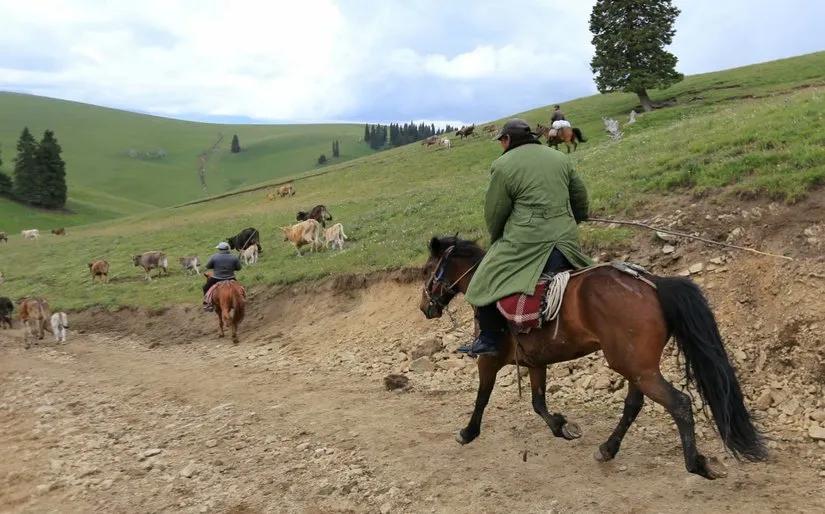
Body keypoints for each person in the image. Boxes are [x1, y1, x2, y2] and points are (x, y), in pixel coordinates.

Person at [458, 118, 591, 357]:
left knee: (482, 279)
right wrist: (578, 218)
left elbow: (495, 211)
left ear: (507, 139)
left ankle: (489, 338)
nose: (501, 144)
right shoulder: (559, 157)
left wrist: (497, 238)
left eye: (501, 140)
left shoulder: (502, 165)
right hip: (567, 240)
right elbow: (579, 194)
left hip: (529, 242)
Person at [203, 241, 242, 311]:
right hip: (231, 278)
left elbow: (208, 266)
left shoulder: (214, 257)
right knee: (240, 288)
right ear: (227, 248)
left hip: (217, 278)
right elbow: (239, 268)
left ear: (219, 249)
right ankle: (242, 301)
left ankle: (208, 304)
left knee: (205, 287)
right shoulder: (234, 257)